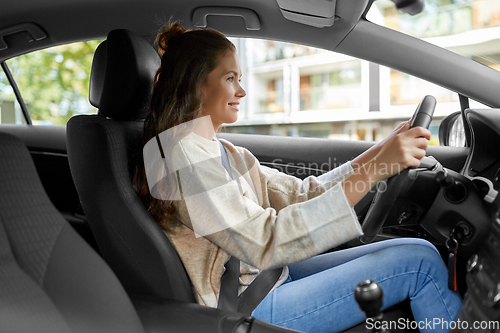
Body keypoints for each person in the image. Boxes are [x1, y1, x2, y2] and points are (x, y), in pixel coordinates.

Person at [133, 22, 462, 333]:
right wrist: (376, 170)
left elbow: (302, 194)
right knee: (418, 265)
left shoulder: (224, 151)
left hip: (265, 279)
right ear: (196, 83)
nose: (243, 90)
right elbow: (266, 242)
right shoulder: (184, 159)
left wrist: (378, 154)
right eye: (231, 78)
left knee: (420, 248)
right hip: (245, 304)